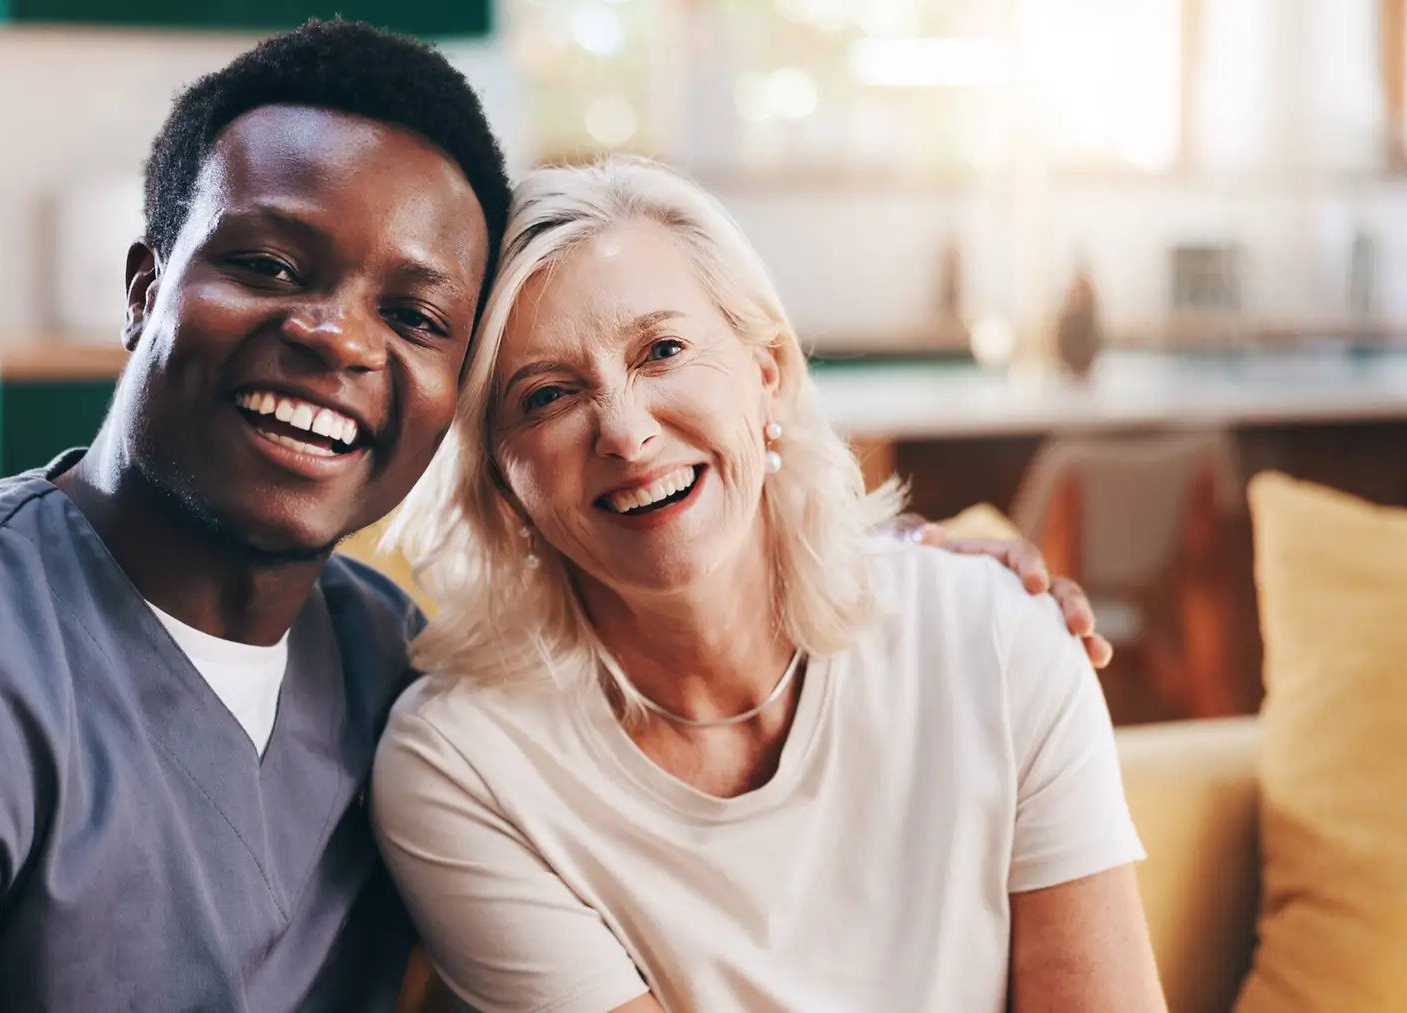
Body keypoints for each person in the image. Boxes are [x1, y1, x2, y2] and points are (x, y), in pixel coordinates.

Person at [0, 21, 1109, 1013]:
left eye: (414, 313)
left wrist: (902, 565)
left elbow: (673, 610)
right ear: (147, 287)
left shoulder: (388, 662)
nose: (338, 338)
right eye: (273, 265)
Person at [371, 156, 1165, 1013]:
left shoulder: (999, 636)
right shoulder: (463, 768)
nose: (627, 434)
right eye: (550, 395)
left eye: (663, 350)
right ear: (503, 481)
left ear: (768, 373)